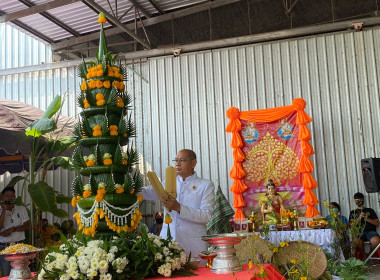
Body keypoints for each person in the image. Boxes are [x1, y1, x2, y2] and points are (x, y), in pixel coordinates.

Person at [141, 149, 215, 260]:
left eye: (182, 160)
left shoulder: (205, 185)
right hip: (167, 245)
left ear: (193, 163)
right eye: (176, 160)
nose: (177, 164)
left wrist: (179, 208)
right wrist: (126, 188)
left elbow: (206, 216)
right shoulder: (168, 183)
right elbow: (147, 192)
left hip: (193, 246)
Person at [0, 187, 30, 277]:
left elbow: (27, 225)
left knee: (21, 273)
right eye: (7, 196)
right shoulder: (0, 210)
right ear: (2, 198)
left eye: (12, 196)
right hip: (4, 247)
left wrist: (12, 229)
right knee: (6, 274)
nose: (9, 198)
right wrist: (4, 211)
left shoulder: (21, 209)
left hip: (19, 246)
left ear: (15, 197)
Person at [349, 192, 380, 260]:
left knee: (376, 241)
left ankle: (368, 256)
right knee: (356, 242)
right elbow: (351, 226)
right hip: (359, 232)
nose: (359, 201)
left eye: (360, 200)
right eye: (357, 200)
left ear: (363, 200)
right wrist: (359, 218)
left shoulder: (370, 210)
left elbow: (377, 223)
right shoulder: (353, 212)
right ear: (355, 201)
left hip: (370, 231)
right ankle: (364, 257)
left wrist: (366, 218)